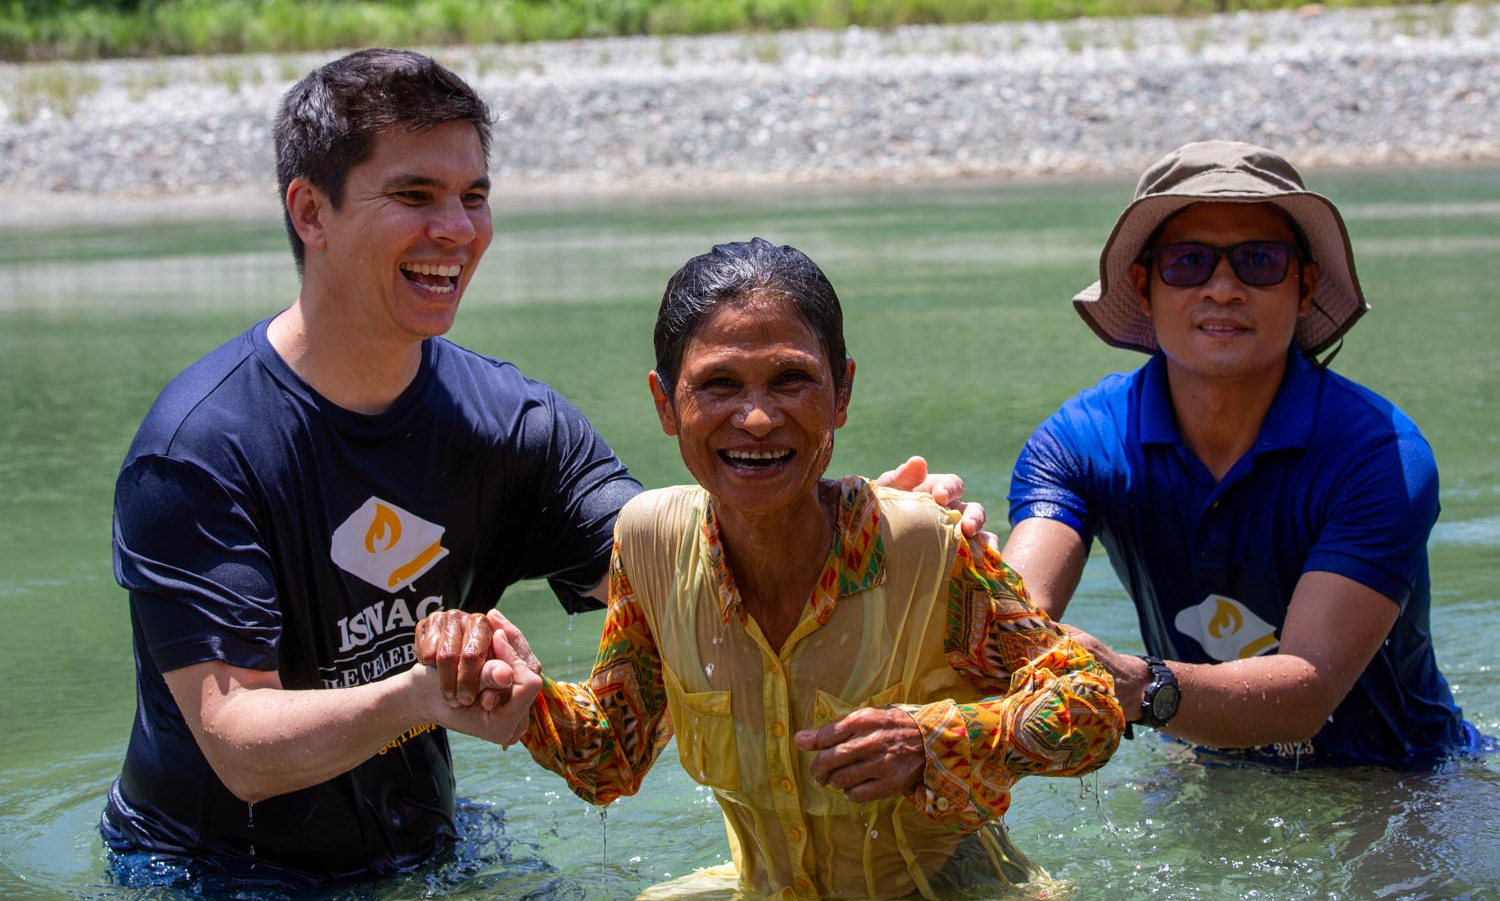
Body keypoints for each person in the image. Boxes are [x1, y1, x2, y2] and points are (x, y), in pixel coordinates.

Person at [101, 48, 981, 886]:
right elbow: (236, 745)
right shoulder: (202, 448)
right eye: (415, 194)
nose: (456, 230)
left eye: (473, 195)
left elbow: (686, 570)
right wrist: (420, 697)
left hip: (428, 846)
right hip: (210, 871)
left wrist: (854, 534)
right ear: (309, 211)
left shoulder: (512, 424)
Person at [422, 238, 1123, 899]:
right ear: (666, 405)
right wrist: (519, 694)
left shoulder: (925, 545)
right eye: (718, 385)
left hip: (958, 888)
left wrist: (935, 740)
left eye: (792, 380)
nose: (757, 419)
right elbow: (613, 754)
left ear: (841, 394)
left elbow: (1093, 705)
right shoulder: (651, 544)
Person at [1004, 140, 1481, 765]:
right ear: (1144, 286)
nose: (1223, 289)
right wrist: (915, 536)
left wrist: (1138, 686)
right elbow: (1014, 623)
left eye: (1258, 260)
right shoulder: (1078, 444)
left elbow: (1308, 690)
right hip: (1205, 761)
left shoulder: (1381, 455)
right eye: (1188, 261)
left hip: (1399, 778)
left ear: (1305, 286)